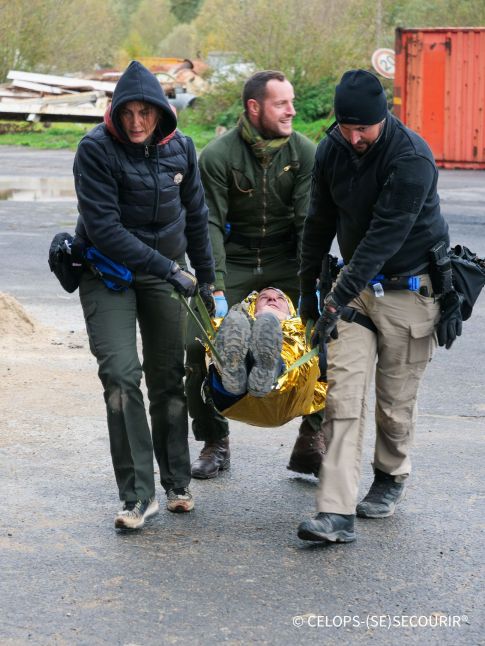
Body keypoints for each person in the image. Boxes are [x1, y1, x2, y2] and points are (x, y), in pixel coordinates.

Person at [297, 69, 459, 543]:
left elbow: (382, 239)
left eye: (363, 129)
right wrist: (308, 295)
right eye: (345, 128)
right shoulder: (332, 150)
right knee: (342, 398)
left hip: (411, 289)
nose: (354, 137)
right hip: (356, 294)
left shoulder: (411, 157)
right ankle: (335, 512)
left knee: (394, 403)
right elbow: (317, 223)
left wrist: (335, 296)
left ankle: (390, 476)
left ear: (383, 117)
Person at [73, 60, 215, 530]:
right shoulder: (95, 150)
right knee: (119, 374)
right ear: (115, 112)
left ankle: (177, 481)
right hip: (109, 271)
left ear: (161, 113)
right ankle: (138, 495)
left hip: (165, 274)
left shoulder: (183, 149)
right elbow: (106, 230)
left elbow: (197, 216)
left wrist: (208, 281)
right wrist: (170, 269)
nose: (136, 123)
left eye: (145, 113)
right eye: (127, 113)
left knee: (167, 376)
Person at [185, 70, 325, 480]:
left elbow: (308, 223)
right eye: (282, 103)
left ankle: (311, 440)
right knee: (196, 343)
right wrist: (216, 287)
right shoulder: (217, 155)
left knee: (327, 337)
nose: (292, 110)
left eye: (292, 101)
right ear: (254, 107)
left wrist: (311, 286)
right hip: (235, 259)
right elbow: (207, 223)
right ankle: (215, 440)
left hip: (288, 259)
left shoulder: (305, 153)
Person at [206, 288, 327, 427]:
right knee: (233, 334)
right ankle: (239, 371)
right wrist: (215, 317)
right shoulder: (236, 325)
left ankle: (268, 369)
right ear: (253, 306)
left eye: (280, 298)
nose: (272, 299)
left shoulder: (305, 327)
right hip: (231, 397)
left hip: (285, 393)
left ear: (290, 308)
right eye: (264, 297)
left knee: (288, 352)